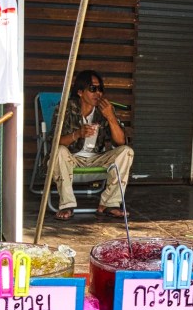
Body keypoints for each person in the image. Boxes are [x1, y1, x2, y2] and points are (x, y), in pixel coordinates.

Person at [52, 70, 134, 220]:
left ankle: (109, 204)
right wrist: (77, 134)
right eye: (93, 89)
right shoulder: (65, 108)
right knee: (59, 151)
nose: (98, 93)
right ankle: (67, 205)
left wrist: (110, 117)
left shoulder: (104, 111)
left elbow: (120, 141)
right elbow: (54, 142)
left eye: (100, 89)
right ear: (80, 92)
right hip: (70, 159)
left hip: (96, 159)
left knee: (126, 151)